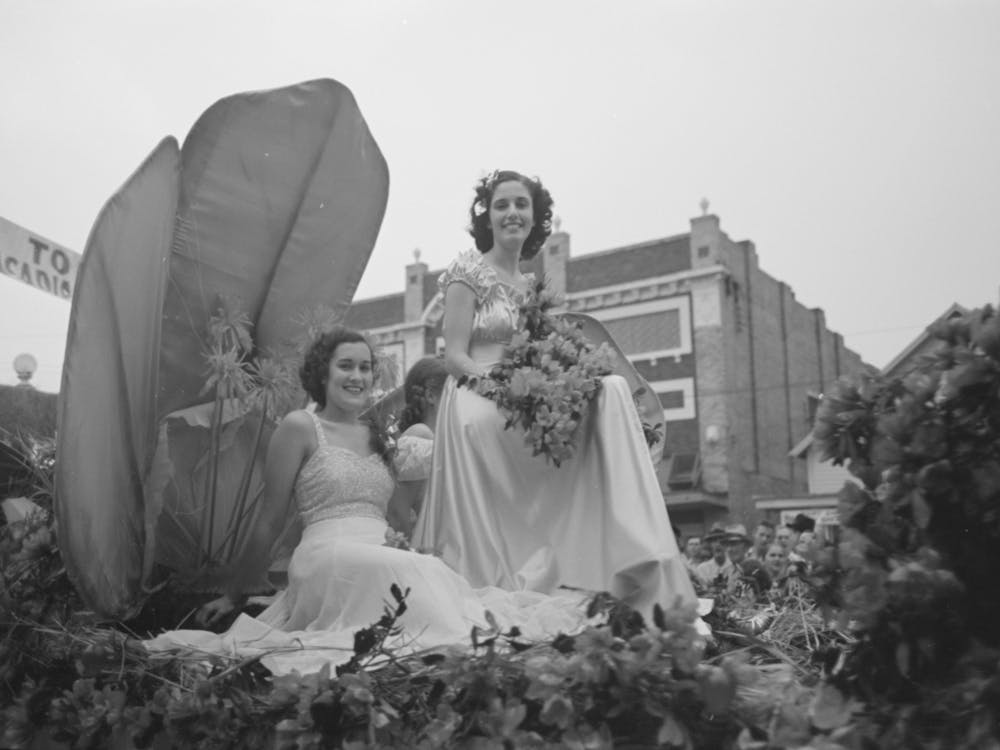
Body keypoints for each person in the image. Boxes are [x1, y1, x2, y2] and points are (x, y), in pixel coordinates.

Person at [153, 327, 585, 675]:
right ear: (323, 373)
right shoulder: (299, 427)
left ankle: (462, 642)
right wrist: (234, 594)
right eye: (346, 366)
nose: (357, 376)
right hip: (327, 552)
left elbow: (396, 513)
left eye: (365, 368)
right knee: (395, 570)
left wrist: (417, 545)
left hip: (378, 547)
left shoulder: (376, 433)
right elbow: (270, 518)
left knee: (427, 567)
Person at [412, 170, 696, 620]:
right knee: (511, 420)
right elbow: (454, 356)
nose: (512, 213)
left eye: (521, 205)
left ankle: (632, 553)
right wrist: (501, 390)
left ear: (535, 215)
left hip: (525, 393)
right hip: (474, 392)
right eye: (502, 204)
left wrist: (561, 386)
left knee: (611, 391)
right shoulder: (467, 271)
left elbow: (539, 355)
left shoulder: (530, 287)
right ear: (488, 215)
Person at [386, 356, 449, 536]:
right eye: (453, 392)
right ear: (431, 396)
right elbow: (397, 513)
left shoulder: (437, 439)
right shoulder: (420, 435)